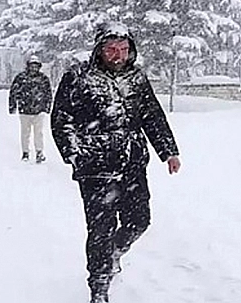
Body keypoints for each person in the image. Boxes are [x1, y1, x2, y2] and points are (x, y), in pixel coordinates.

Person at [51, 22, 181, 303]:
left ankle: (114, 253)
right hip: (96, 168)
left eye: (123, 49)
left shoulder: (137, 78)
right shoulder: (78, 77)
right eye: (111, 49)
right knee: (100, 229)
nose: (118, 55)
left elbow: (152, 116)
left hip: (133, 164)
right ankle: (99, 288)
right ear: (99, 50)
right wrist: (74, 153)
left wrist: (168, 151)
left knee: (139, 221)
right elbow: (61, 120)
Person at [8, 55, 52, 163]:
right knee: (25, 133)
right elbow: (13, 92)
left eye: (36, 66)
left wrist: (47, 107)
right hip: (25, 110)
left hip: (39, 110)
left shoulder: (43, 79)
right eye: (32, 66)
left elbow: (48, 94)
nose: (33, 68)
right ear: (28, 66)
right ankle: (25, 153)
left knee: (39, 133)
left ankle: (39, 152)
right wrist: (12, 106)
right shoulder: (21, 78)